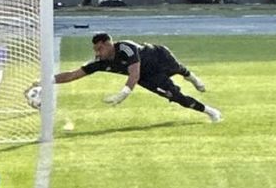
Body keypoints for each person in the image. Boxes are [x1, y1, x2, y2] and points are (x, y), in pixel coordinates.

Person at [53, 33, 222, 122]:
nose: (97, 53)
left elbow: (134, 73)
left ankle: (192, 77)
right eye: (95, 50)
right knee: (176, 97)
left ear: (109, 44)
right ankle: (211, 112)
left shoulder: (126, 48)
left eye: (99, 49)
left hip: (158, 58)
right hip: (147, 77)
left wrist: (123, 94)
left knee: (179, 70)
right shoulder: (100, 62)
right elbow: (73, 75)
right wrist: (48, 80)